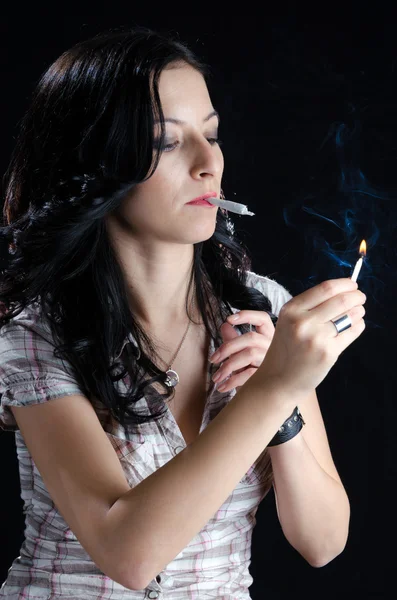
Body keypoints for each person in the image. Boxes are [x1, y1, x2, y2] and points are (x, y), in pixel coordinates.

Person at [0, 26, 366, 600]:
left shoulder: (261, 305)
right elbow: (129, 552)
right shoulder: (35, 333)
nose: (207, 164)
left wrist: (283, 411)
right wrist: (274, 388)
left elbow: (322, 542)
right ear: (96, 162)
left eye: (212, 135)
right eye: (167, 142)